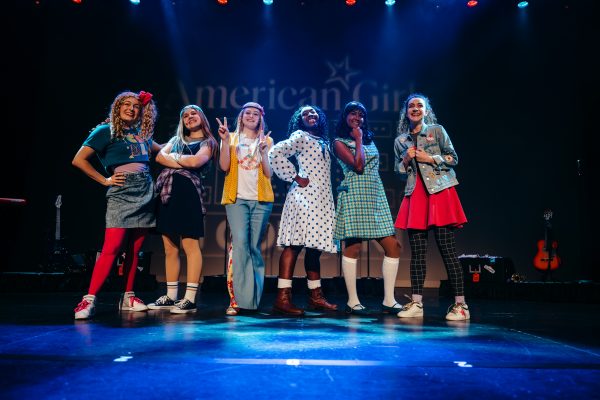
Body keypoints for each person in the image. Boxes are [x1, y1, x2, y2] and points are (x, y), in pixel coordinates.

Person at [72, 90, 160, 320]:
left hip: (146, 189)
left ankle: (128, 296)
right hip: (121, 191)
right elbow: (78, 160)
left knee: (135, 249)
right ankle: (89, 299)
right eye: (127, 104)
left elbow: (162, 152)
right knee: (111, 248)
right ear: (117, 108)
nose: (132, 108)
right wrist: (104, 180)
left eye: (136, 106)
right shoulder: (105, 130)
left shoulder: (141, 134)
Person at [393, 93, 469, 321]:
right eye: (411, 106)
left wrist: (430, 158)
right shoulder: (400, 141)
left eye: (420, 106)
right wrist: (405, 160)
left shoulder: (436, 130)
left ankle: (461, 305)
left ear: (426, 111)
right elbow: (399, 172)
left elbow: (453, 158)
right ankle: (416, 303)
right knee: (417, 254)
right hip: (415, 195)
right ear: (406, 112)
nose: (415, 109)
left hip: (439, 192)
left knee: (447, 251)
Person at [332, 101, 402, 316]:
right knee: (354, 248)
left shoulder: (368, 138)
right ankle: (353, 301)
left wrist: (362, 138)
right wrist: (359, 139)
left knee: (394, 246)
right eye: (353, 114)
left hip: (374, 194)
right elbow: (358, 166)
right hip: (354, 194)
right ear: (345, 117)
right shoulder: (339, 142)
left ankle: (389, 300)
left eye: (361, 114)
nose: (357, 118)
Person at [268, 105, 338, 316]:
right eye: (305, 113)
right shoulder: (300, 136)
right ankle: (282, 297)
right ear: (300, 120)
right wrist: (295, 177)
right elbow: (275, 152)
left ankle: (315, 296)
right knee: (294, 245)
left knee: (314, 249)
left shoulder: (324, 141)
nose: (311, 115)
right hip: (303, 198)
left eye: (314, 112)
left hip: (322, 200)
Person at [148, 105, 217, 314]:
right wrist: (181, 159)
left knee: (190, 246)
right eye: (185, 115)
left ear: (201, 117)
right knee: (170, 248)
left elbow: (197, 162)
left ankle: (190, 298)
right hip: (167, 194)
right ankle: (171, 295)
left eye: (193, 113)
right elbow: (159, 157)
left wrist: (174, 158)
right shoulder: (176, 140)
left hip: (188, 194)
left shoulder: (208, 142)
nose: (189, 117)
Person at [217, 102, 274, 315]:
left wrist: (264, 152)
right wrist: (224, 142)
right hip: (236, 199)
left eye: (255, 114)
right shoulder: (230, 138)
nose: (251, 116)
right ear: (241, 117)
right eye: (247, 113)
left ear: (261, 118)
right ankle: (237, 300)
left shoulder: (266, 140)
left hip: (260, 200)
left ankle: (252, 300)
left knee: (254, 247)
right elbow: (224, 167)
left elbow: (268, 174)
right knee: (240, 245)